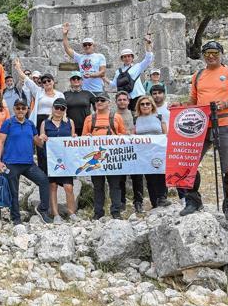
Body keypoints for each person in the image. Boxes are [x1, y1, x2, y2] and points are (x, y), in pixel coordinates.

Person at [174, 40, 228, 218]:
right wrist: (182, 107)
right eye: (207, 53)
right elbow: (193, 100)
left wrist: (227, 104)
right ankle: (193, 201)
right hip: (199, 126)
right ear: (203, 56)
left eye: (214, 53)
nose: (211, 56)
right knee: (189, 162)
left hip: (224, 123)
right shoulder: (198, 75)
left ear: (221, 54)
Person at [0, 99, 52, 224]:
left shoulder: (30, 124)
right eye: (18, 108)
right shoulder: (8, 123)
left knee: (43, 180)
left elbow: (37, 142)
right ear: (14, 109)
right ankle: (16, 218)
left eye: (23, 108)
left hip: (28, 163)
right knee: (13, 191)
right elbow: (0, 142)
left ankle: (43, 210)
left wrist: (42, 138)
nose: (20, 110)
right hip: (11, 162)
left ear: (27, 109)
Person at [82, 92, 127, 220]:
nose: (99, 102)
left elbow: (123, 136)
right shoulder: (89, 118)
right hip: (96, 158)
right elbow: (83, 137)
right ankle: (98, 212)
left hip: (112, 157)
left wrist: (117, 137)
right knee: (98, 186)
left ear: (109, 102)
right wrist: (87, 137)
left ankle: (116, 211)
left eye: (102, 100)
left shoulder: (117, 117)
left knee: (115, 185)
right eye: (97, 101)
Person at [37, 98, 77, 222]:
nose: (59, 110)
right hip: (50, 159)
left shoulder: (70, 122)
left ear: (65, 110)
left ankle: (71, 212)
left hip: (66, 159)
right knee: (52, 186)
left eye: (62, 108)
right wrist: (41, 138)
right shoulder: (45, 123)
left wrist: (75, 138)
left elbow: (73, 140)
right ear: (53, 108)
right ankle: (56, 214)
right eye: (57, 107)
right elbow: (40, 143)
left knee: (68, 186)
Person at [133, 96, 169, 209]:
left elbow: (165, 134)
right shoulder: (136, 119)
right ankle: (154, 201)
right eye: (142, 104)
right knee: (149, 177)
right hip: (143, 153)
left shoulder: (159, 117)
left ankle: (162, 198)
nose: (145, 106)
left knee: (160, 174)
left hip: (158, 151)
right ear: (139, 106)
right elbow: (133, 136)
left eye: (147, 104)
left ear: (152, 105)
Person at [108, 35, 154, 110]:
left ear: (132, 58)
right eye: (125, 57)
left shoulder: (137, 67)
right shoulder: (118, 71)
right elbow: (114, 84)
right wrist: (103, 78)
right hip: (126, 99)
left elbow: (148, 59)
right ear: (122, 59)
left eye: (129, 56)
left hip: (138, 96)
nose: (127, 58)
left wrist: (147, 45)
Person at [61, 23, 107, 93]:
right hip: (84, 91)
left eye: (89, 44)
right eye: (85, 45)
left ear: (93, 46)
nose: (87, 46)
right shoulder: (80, 57)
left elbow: (102, 72)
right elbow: (67, 49)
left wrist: (91, 75)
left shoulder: (100, 56)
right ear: (83, 47)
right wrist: (65, 35)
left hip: (97, 90)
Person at [64, 71, 93, 136]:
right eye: (73, 78)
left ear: (82, 81)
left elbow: (98, 106)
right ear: (70, 81)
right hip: (69, 126)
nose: (76, 80)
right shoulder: (65, 94)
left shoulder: (88, 94)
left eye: (78, 78)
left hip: (86, 126)